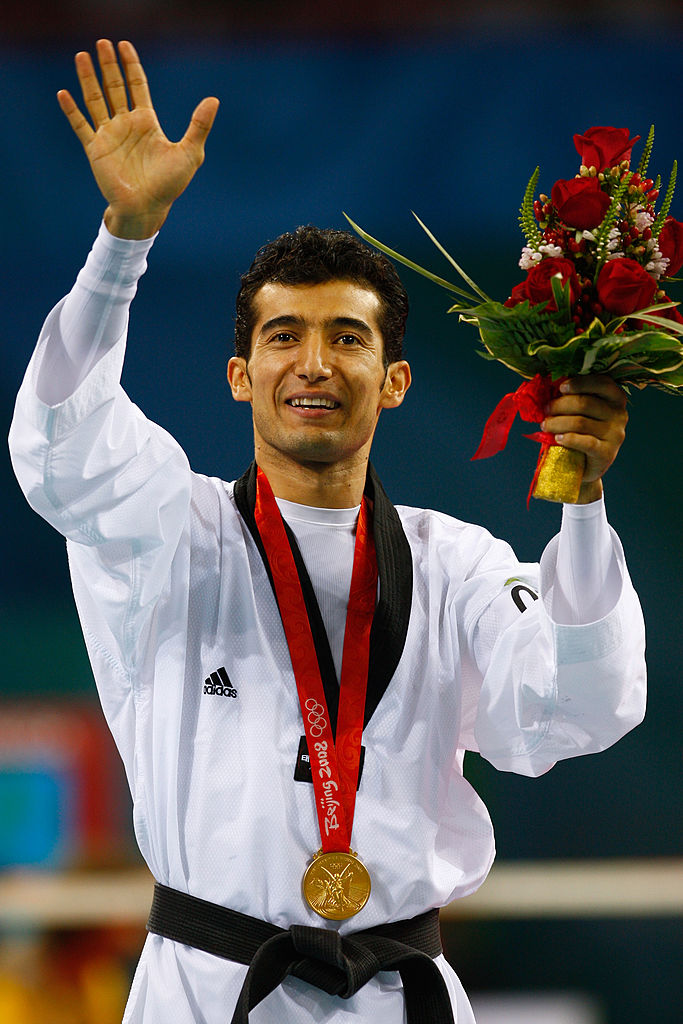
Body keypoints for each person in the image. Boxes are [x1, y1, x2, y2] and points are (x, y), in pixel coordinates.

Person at [9, 39, 646, 1024]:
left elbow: (575, 706)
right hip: (210, 992)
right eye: (281, 336)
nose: (313, 362)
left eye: (346, 337)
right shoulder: (166, 533)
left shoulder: (457, 566)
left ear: (394, 379)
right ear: (239, 375)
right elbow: (62, 445)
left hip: (398, 995)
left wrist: (582, 499)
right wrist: (121, 243)